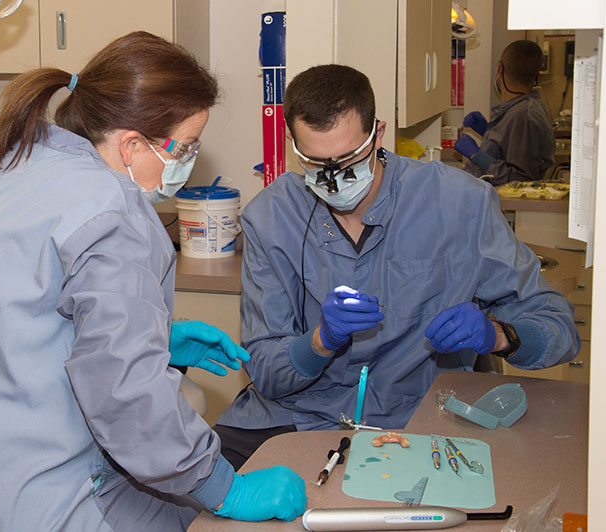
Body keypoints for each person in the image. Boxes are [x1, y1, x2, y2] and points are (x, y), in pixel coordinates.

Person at [0, 32, 306, 532]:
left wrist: (158, 342)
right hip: (34, 499)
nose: (190, 161)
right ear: (131, 145)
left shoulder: (8, 165)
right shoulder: (111, 211)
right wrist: (226, 489)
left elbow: (16, 320)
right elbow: (129, 395)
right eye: (188, 146)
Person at [213, 64, 580, 470]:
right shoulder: (271, 218)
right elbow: (265, 369)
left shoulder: (459, 203)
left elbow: (559, 329)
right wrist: (318, 342)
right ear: (292, 145)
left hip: (417, 421)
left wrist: (498, 335)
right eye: (317, 164)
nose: (334, 179)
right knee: (208, 497)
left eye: (349, 158)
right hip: (297, 418)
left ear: (378, 134)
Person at [454, 39, 556, 185]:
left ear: (500, 68)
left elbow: (520, 180)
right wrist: (489, 132)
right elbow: (511, 150)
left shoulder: (524, 115)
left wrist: (476, 155)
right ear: (536, 75)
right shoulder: (521, 109)